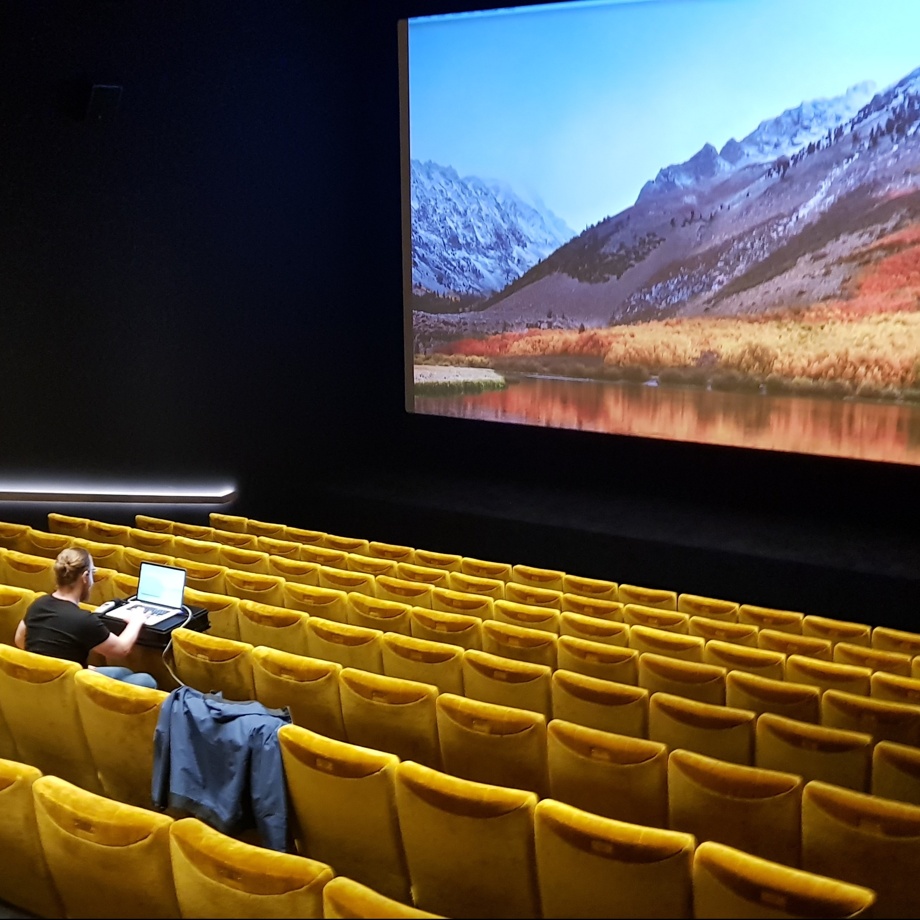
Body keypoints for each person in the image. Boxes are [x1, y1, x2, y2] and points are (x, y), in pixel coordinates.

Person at [14, 546, 158, 689]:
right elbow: (121, 650)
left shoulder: (38, 604)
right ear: (84, 577)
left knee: (122, 672)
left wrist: (68, 667)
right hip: (72, 688)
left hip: (45, 680)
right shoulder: (83, 620)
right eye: (92, 573)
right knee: (146, 681)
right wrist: (136, 621)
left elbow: (19, 639)